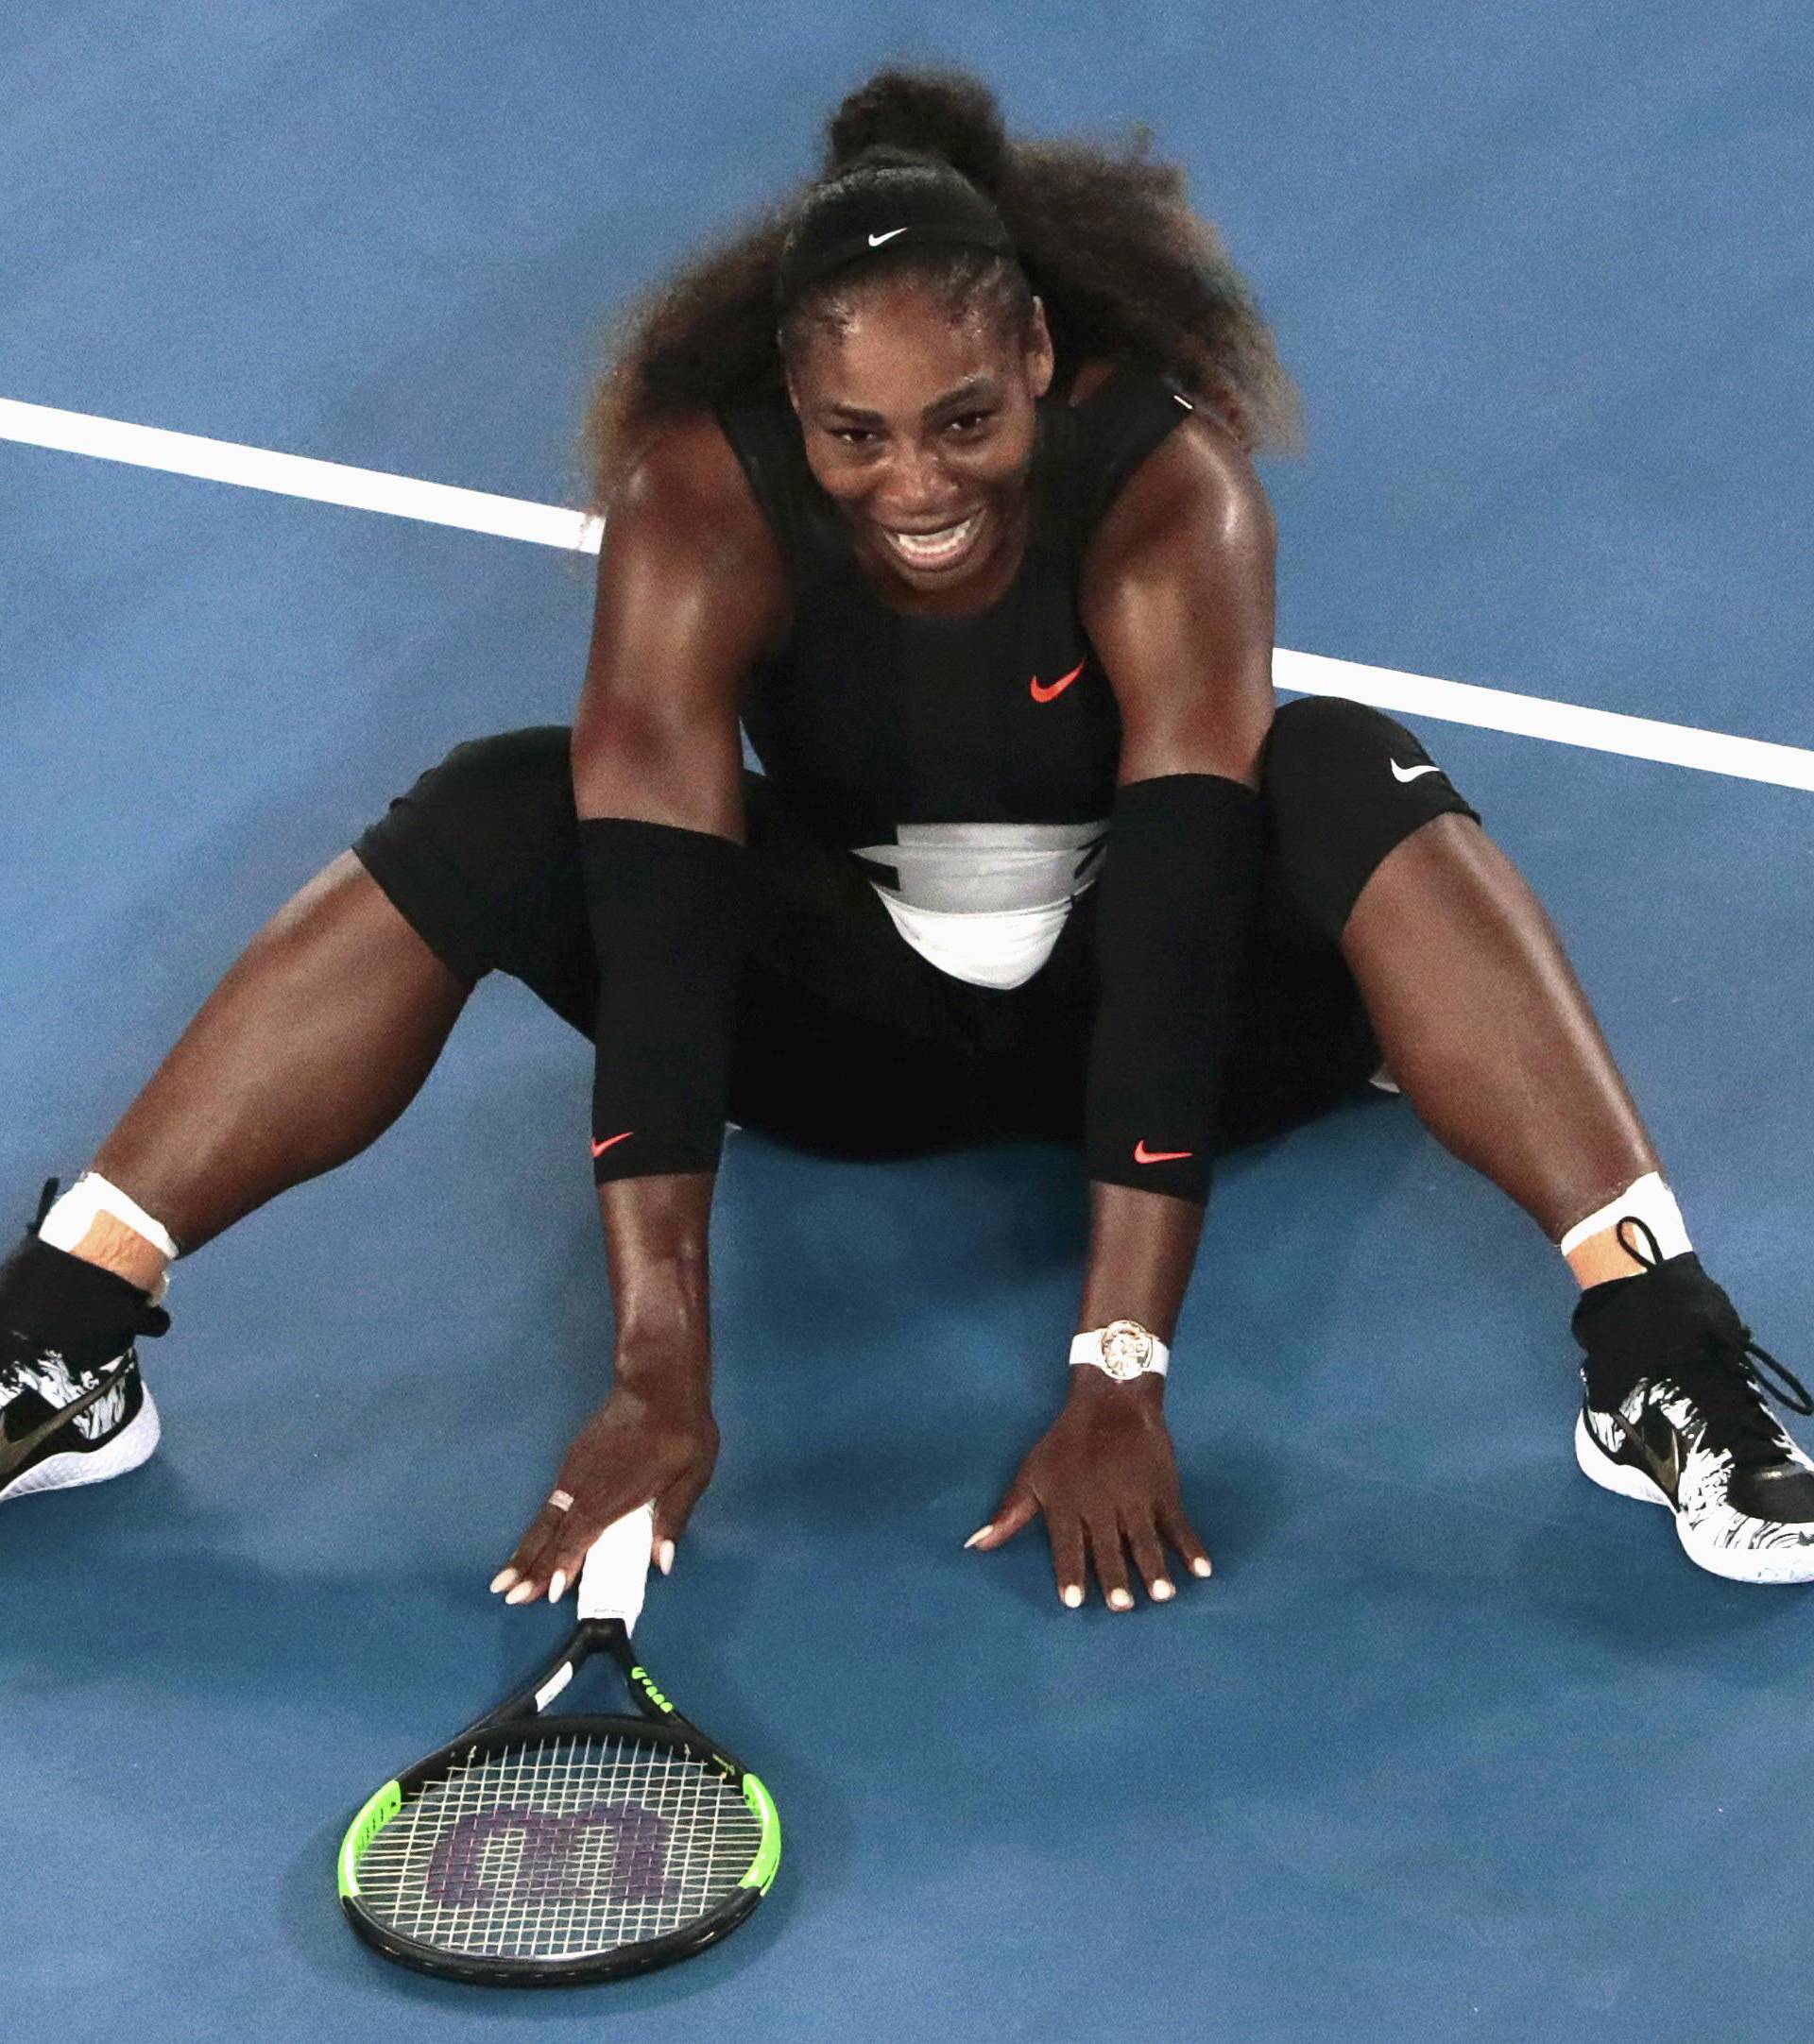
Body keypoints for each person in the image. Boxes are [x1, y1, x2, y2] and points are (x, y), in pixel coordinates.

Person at [6, 67, 1811, 1599]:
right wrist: (661, 1373)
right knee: (501, 796)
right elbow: (658, 926)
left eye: (963, 421)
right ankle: (69, 1331)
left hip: (1201, 1021)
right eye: (854, 437)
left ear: (1038, 350)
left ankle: (1658, 1361)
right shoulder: (696, 503)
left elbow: (1182, 924)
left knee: (1347, 765)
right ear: (792, 411)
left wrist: (1120, 1365)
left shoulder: (1167, 484)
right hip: (846, 1043)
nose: (916, 484)